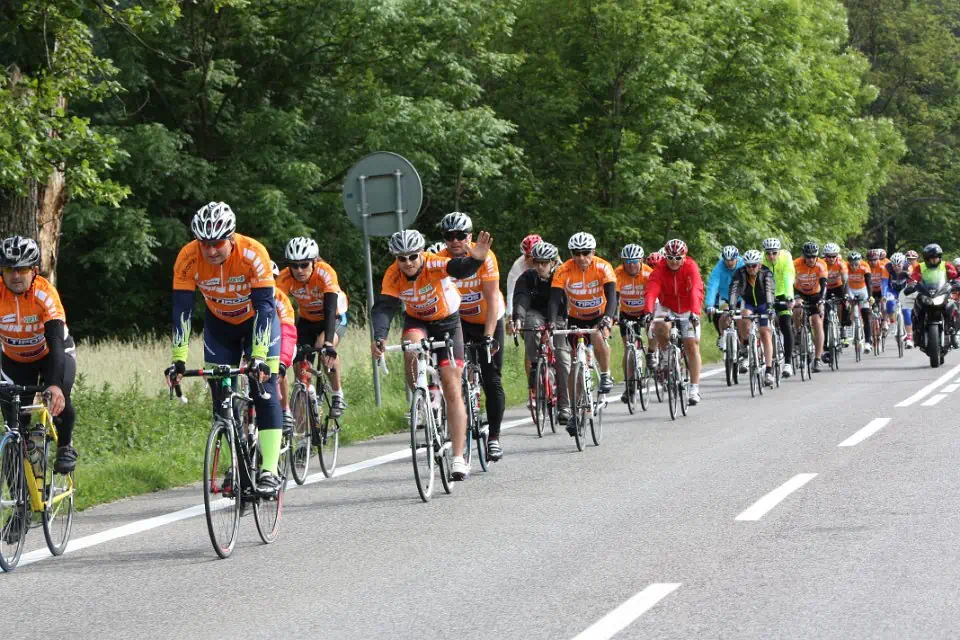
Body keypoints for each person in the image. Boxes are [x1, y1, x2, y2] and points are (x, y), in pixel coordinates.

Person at [167, 202, 284, 495]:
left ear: (231, 238)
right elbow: (182, 310)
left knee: (264, 387)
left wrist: (259, 356)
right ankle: (237, 460)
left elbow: (266, 308)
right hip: (219, 327)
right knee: (221, 398)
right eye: (204, 244)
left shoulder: (253, 253)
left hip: (256, 323)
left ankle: (269, 470)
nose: (210, 251)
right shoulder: (187, 257)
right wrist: (179, 359)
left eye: (217, 243)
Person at [370, 229, 494, 481]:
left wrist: (476, 259)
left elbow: (460, 268)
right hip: (417, 321)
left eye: (412, 256)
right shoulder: (393, 274)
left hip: (448, 322)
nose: (407, 262)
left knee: (452, 386)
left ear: (421, 254)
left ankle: (458, 458)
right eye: (401, 258)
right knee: (410, 348)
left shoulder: (433, 263)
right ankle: (422, 398)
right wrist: (380, 337)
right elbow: (384, 307)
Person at [0, 236, 77, 474]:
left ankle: (65, 446)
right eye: (9, 269)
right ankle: (19, 495)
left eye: (22, 269)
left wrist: (54, 384)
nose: (15, 276)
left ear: (34, 271)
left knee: (59, 396)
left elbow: (55, 341)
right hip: (15, 359)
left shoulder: (45, 294)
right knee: (14, 426)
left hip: (51, 353)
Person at [436, 212, 506, 462]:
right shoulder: (440, 259)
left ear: (470, 236)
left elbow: (493, 299)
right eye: (449, 236)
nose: (455, 241)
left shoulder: (485, 256)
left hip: (488, 318)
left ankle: (494, 438)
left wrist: (488, 337)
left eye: (460, 235)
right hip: (459, 322)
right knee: (451, 375)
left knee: (491, 378)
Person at [547, 232, 617, 435]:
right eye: (576, 253)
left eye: (585, 253)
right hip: (575, 318)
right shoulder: (563, 270)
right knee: (575, 364)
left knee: (597, 335)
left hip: (599, 316)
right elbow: (554, 299)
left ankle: (605, 374)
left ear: (593, 252)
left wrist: (608, 318)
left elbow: (612, 296)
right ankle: (575, 412)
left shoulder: (603, 267)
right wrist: (551, 322)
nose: (581, 257)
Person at [275, 237, 349, 418]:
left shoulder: (325, 272)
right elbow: (275, 308)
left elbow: (330, 309)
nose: (299, 270)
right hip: (307, 320)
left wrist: (329, 343)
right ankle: (306, 403)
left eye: (304, 265)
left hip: (333, 317)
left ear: (314, 261)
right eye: (294, 265)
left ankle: (337, 394)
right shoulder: (285, 277)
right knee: (299, 364)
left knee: (323, 348)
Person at [513, 241, 571, 424]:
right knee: (530, 323)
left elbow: (565, 302)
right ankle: (535, 366)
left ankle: (564, 406)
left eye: (544, 263)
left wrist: (558, 324)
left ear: (553, 262)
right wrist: (518, 318)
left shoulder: (562, 275)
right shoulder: (528, 277)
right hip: (536, 313)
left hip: (559, 316)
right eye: (536, 262)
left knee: (562, 357)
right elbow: (521, 298)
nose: (540, 267)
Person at [642, 239, 705, 404]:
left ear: (684, 257)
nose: (674, 262)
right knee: (659, 325)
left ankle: (694, 389)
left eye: (678, 258)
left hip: (688, 307)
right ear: (666, 257)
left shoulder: (691, 267)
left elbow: (696, 289)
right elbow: (652, 290)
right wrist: (648, 312)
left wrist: (695, 312)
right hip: (667, 306)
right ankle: (665, 353)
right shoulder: (660, 269)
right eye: (670, 258)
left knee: (691, 346)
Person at [729, 249, 777, 386]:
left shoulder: (766, 273)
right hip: (749, 303)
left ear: (759, 264)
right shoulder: (740, 273)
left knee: (765, 333)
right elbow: (734, 290)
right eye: (748, 266)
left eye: (754, 265)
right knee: (744, 317)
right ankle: (745, 348)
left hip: (764, 303)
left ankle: (769, 370)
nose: (750, 269)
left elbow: (769, 290)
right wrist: (732, 307)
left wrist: (770, 307)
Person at [615, 244, 653, 402]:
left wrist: (651, 313)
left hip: (645, 311)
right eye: (627, 261)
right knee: (628, 348)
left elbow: (653, 295)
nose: (631, 265)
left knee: (652, 331)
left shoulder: (648, 273)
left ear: (641, 260)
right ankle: (630, 386)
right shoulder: (618, 273)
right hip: (627, 313)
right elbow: (614, 296)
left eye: (634, 261)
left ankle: (651, 354)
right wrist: (613, 316)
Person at [904, 243, 960, 352]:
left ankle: (953, 330)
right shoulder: (920, 267)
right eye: (932, 258)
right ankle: (916, 331)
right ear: (926, 258)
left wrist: (956, 283)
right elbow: (914, 278)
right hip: (926, 293)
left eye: (936, 257)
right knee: (916, 307)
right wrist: (911, 285)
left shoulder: (946, 265)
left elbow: (954, 276)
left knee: (952, 306)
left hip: (942, 292)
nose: (934, 260)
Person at [760, 238, 796, 376]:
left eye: (774, 253)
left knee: (786, 324)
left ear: (779, 252)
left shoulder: (786, 258)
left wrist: (789, 297)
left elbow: (788, 277)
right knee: (763, 327)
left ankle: (788, 363)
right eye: (768, 253)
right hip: (766, 294)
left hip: (782, 293)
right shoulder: (761, 260)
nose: (771, 256)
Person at [792, 242, 827, 372]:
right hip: (800, 292)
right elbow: (789, 280)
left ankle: (817, 359)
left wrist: (821, 300)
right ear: (804, 256)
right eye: (808, 257)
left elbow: (824, 284)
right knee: (797, 309)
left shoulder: (821, 264)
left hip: (816, 294)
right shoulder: (796, 263)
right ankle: (797, 332)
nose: (811, 259)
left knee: (817, 323)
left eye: (813, 257)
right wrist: (793, 297)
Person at [271, 261, 297, 434]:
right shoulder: (245, 298)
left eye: (272, 279)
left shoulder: (280, 298)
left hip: (282, 341)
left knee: (280, 366)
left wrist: (283, 361)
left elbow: (287, 333)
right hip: (257, 343)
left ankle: (285, 409)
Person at [704, 246, 743, 352]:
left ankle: (745, 343)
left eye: (732, 260)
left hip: (741, 297)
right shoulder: (719, 267)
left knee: (744, 317)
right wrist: (710, 305)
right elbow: (712, 286)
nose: (729, 263)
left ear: (737, 258)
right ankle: (722, 336)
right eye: (726, 260)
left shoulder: (743, 264)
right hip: (725, 297)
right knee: (723, 314)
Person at [505, 234, 543, 335]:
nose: (528, 260)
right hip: (528, 299)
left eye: (532, 256)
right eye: (526, 256)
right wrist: (510, 318)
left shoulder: (552, 260)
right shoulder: (518, 265)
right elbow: (511, 293)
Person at [820, 242, 848, 368]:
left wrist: (845, 295)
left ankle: (842, 327)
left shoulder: (841, 263)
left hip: (838, 287)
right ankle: (826, 345)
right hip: (825, 288)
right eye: (828, 256)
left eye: (833, 256)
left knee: (844, 304)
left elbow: (845, 280)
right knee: (824, 316)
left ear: (837, 256)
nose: (831, 259)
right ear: (825, 256)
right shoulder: (822, 263)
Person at [845, 252, 874, 353]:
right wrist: (846, 298)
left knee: (866, 315)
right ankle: (848, 334)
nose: (853, 267)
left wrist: (870, 296)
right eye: (851, 264)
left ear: (860, 262)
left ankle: (868, 342)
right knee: (847, 309)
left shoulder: (865, 266)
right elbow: (843, 282)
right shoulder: (845, 266)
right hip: (850, 289)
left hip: (863, 290)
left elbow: (869, 282)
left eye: (856, 264)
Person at [885, 252, 913, 347]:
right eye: (894, 265)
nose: (896, 268)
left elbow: (912, 281)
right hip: (892, 290)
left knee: (906, 311)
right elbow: (884, 283)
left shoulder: (908, 267)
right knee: (889, 304)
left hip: (905, 290)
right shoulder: (887, 268)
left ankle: (909, 337)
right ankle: (892, 323)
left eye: (899, 265)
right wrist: (884, 294)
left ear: (903, 263)